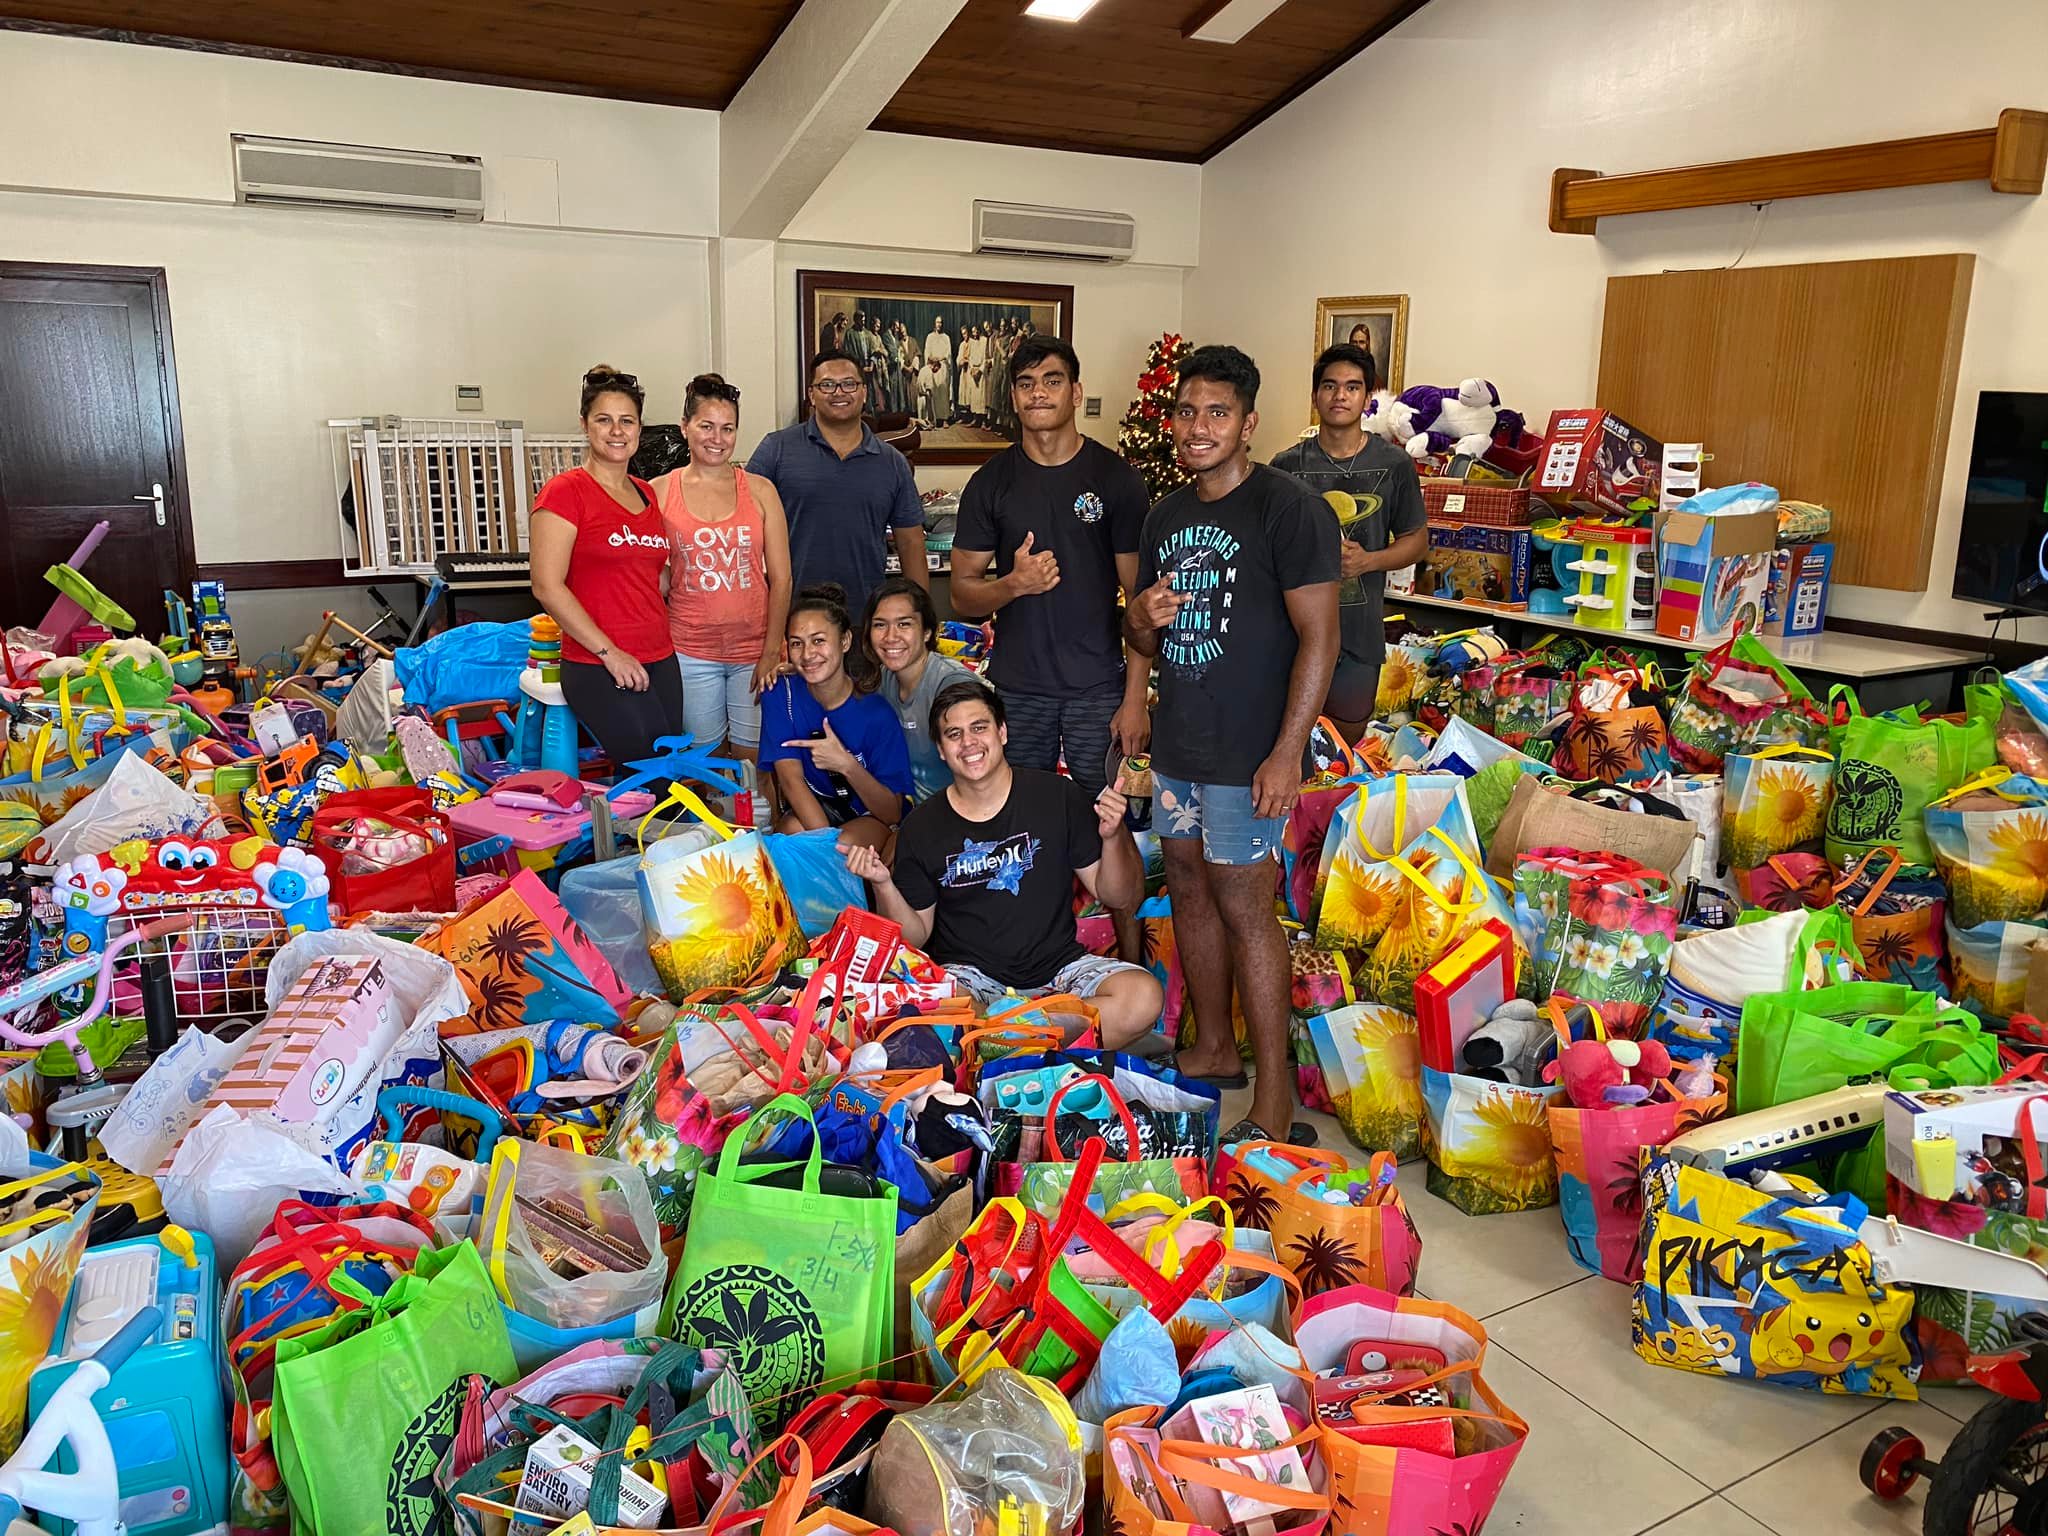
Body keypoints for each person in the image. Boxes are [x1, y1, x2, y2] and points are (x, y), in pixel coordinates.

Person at [1124, 344, 1339, 1145]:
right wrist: (1140, 625)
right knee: (1186, 883)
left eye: (1217, 413)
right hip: (1182, 741)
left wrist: (1289, 750)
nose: (1198, 427)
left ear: (1249, 423)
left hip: (1252, 748)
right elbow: (1137, 624)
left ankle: (1274, 1104)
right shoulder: (1166, 515)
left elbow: (1319, 637)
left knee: (1247, 904)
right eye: (1186, 412)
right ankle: (1214, 1048)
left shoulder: (1288, 511)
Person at [842, 678, 1162, 1049]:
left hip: (1059, 974)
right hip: (971, 980)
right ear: (941, 750)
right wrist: (883, 883)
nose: (969, 743)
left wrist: (1113, 837)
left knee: (1142, 996)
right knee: (933, 1010)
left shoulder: (1058, 796)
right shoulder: (921, 827)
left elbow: (1119, 895)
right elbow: (915, 935)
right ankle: (1034, 1039)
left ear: (1003, 732)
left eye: (979, 728)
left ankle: (1003, 1038)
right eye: (954, 734)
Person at [952, 335, 1152, 810]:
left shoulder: (1116, 479)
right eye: (1026, 383)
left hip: (1098, 686)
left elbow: (1141, 602)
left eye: (1052, 380)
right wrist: (1013, 584)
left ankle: (1103, 890)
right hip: (1020, 688)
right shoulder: (990, 484)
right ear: (1014, 398)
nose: (1038, 392)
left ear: (1076, 393)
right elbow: (961, 594)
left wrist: (1135, 697)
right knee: (1024, 811)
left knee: (1105, 810)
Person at [1269, 343, 1429, 740]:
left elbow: (1417, 540)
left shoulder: (1394, 465)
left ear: (1366, 398)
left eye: (1352, 387)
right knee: (1282, 748)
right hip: (1288, 637)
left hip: (1358, 637)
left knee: (1344, 757)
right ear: (1315, 395)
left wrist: (1368, 561)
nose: (1340, 396)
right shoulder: (1285, 467)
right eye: (1330, 386)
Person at [530, 364, 683, 768]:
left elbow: (652, 576)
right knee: (652, 776)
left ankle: (643, 832)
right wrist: (610, 653)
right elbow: (547, 586)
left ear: (639, 427)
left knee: (671, 772)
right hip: (598, 661)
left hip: (660, 655)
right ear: (585, 425)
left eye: (626, 421)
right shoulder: (566, 492)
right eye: (604, 420)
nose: (617, 431)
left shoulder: (647, 493)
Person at [652, 372, 792, 766]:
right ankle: (713, 830)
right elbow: (653, 575)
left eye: (728, 428)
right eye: (706, 426)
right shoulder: (660, 490)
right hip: (691, 651)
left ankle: (758, 827)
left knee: (755, 764)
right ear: (685, 428)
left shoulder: (761, 490)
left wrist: (770, 651)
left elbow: (781, 578)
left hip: (754, 651)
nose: (718, 438)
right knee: (705, 765)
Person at [748, 350, 927, 619]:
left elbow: (911, 543)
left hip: (864, 618)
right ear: (812, 394)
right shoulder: (776, 449)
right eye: (827, 385)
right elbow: (743, 526)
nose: (839, 392)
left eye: (849, 384)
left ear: (864, 392)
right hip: (791, 617)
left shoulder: (892, 463)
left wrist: (919, 616)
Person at [758, 584, 912, 852]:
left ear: (844, 641)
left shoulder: (876, 713)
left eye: (819, 641)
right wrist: (823, 848)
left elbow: (891, 813)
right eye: (797, 643)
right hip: (820, 807)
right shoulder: (781, 692)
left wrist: (846, 764)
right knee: (791, 839)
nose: (807, 655)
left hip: (869, 816)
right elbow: (791, 781)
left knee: (842, 847)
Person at [862, 576, 971, 800]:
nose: (890, 637)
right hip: (912, 813)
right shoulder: (885, 679)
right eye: (880, 625)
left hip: (959, 815)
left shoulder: (951, 684)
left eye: (904, 624)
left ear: (927, 632)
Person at [922, 317, 954, 424]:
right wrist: (932, 360)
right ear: (934, 323)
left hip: (943, 367)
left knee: (943, 392)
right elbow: (927, 352)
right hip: (933, 367)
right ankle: (934, 418)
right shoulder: (930, 337)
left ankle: (945, 419)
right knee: (933, 392)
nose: (939, 324)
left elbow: (948, 354)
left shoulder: (946, 338)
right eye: (937, 322)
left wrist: (940, 359)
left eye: (941, 322)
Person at [1346, 322, 1381, 394]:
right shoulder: (1342, 366)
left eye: (1361, 342)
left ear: (1367, 343)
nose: (1358, 346)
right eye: (1354, 342)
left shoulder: (1375, 379)